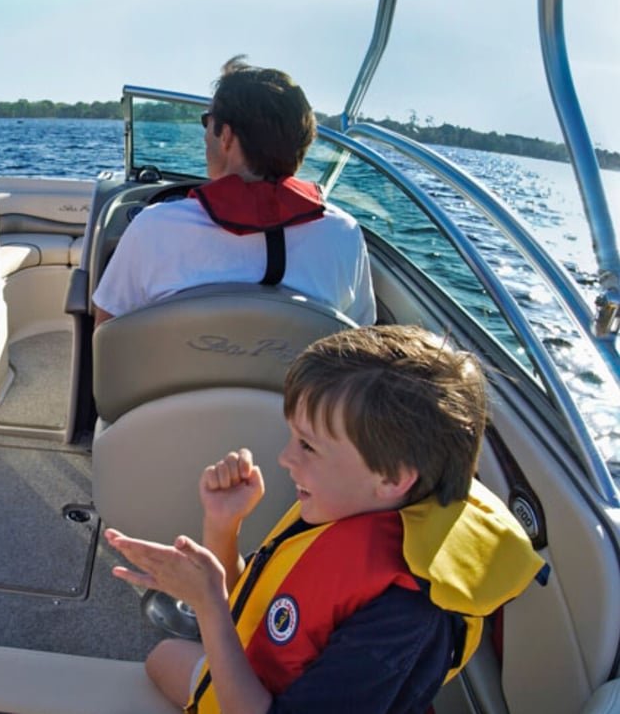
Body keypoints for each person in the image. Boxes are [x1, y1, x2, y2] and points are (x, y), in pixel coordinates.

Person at [106, 324, 546, 713]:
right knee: (162, 657)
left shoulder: (406, 614)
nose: (284, 458)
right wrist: (224, 524)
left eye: (308, 446)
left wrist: (209, 608)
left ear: (393, 477)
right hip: (268, 682)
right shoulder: (357, 502)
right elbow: (265, 606)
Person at [93, 56, 376, 328]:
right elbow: (358, 336)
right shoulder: (344, 234)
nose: (205, 134)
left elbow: (106, 335)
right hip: (294, 380)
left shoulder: (154, 228)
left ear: (226, 135)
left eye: (207, 120)